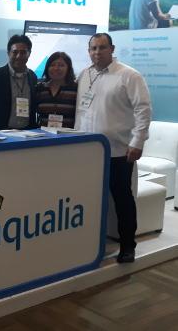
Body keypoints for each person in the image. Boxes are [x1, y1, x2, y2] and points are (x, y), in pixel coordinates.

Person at [75, 33, 151, 263]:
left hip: (118, 151)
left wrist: (137, 142)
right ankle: (90, 244)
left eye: (102, 47)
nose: (97, 52)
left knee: (122, 199)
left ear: (112, 49)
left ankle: (128, 246)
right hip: (89, 152)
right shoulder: (84, 74)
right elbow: (82, 111)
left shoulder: (128, 75)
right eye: (93, 48)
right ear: (89, 51)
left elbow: (143, 109)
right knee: (89, 198)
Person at [0, 34, 38, 132]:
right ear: (8, 53)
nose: (19, 56)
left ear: (29, 53)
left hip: (27, 133)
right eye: (15, 52)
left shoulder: (32, 77)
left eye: (23, 52)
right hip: (1, 133)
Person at [35, 52, 77, 128]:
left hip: (69, 134)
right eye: (52, 65)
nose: (56, 68)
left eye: (61, 65)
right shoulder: (40, 88)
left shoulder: (75, 89)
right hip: (42, 134)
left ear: (68, 68)